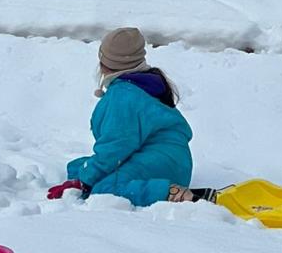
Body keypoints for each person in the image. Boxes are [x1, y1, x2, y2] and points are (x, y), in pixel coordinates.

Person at [46, 27, 202, 207]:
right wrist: (84, 176)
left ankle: (174, 194)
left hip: (159, 163)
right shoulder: (141, 83)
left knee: (104, 189)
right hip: (173, 161)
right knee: (78, 167)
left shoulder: (123, 96)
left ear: (104, 62)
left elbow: (116, 146)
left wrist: (84, 182)